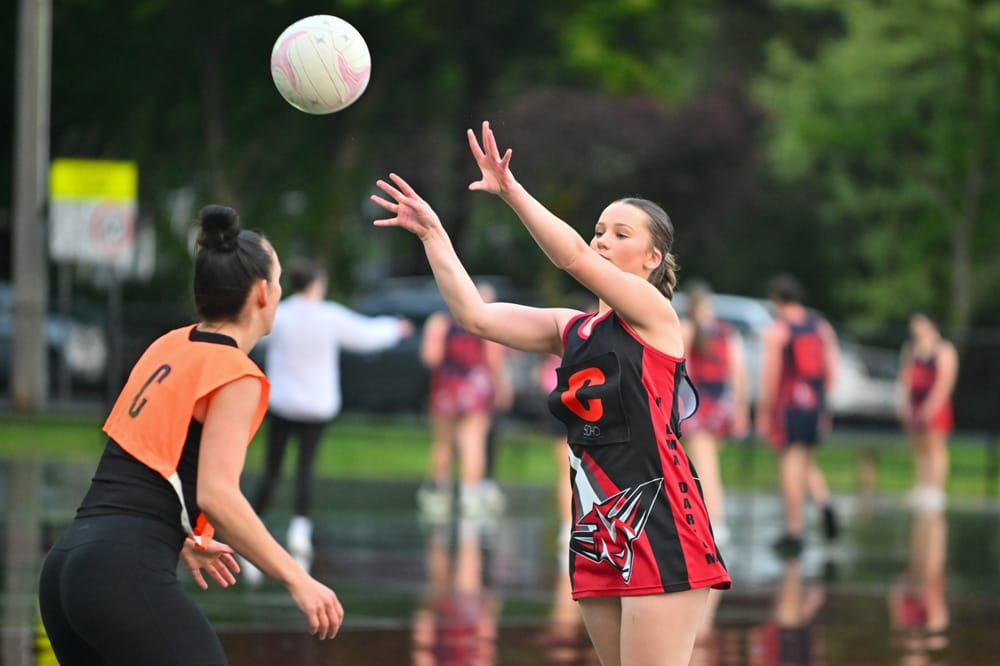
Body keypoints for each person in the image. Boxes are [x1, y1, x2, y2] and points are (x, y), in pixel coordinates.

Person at [372, 121, 731, 666]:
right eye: (599, 230)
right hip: (598, 529)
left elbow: (573, 260)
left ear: (653, 260)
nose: (602, 241)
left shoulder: (657, 319)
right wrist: (433, 235)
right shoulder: (573, 329)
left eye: (620, 234)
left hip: (659, 521)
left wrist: (512, 191)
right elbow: (475, 315)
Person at [37, 205, 343, 665]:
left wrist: (180, 534)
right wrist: (298, 579)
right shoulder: (235, 373)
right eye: (278, 281)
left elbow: (144, 460)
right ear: (262, 293)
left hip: (68, 565)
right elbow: (218, 496)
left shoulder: (170, 345)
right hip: (119, 569)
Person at [247, 258, 413, 575]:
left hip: (282, 402)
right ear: (318, 284)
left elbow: (253, 333)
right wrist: (395, 328)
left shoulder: (281, 315)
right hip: (315, 406)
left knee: (272, 466)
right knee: (306, 468)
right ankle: (300, 528)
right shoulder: (329, 317)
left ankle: (255, 524)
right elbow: (364, 334)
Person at [756, 274, 840, 558]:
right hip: (813, 402)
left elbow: (770, 376)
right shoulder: (821, 327)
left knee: (789, 465)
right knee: (805, 459)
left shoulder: (778, 330)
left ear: (777, 300)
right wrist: (823, 403)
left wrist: (764, 411)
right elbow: (832, 370)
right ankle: (824, 502)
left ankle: (794, 530)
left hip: (788, 404)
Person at [417, 282, 513, 520]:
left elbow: (431, 357)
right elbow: (494, 360)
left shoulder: (440, 322)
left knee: (443, 443)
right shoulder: (486, 323)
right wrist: (502, 386)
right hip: (476, 386)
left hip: (447, 386)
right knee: (473, 441)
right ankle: (470, 496)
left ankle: (438, 495)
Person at [679, 280, 750, 546]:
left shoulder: (686, 329)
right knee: (705, 466)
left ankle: (714, 524)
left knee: (704, 468)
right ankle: (708, 521)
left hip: (697, 404)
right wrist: (741, 409)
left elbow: (679, 371)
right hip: (721, 404)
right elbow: (738, 372)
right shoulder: (726, 331)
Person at [897, 312, 958, 514]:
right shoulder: (911, 349)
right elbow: (905, 378)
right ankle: (922, 486)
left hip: (935, 404)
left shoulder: (944, 350)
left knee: (935, 446)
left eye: (920, 324)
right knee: (919, 446)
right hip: (915, 402)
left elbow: (945, 382)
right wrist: (904, 403)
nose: (915, 328)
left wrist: (931, 406)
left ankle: (936, 490)